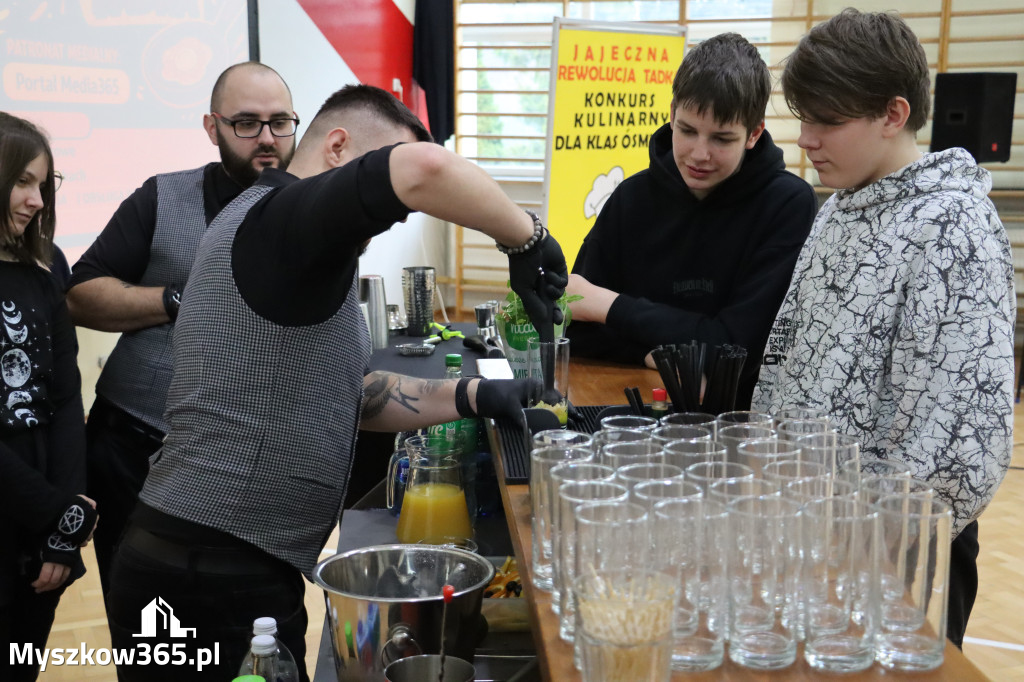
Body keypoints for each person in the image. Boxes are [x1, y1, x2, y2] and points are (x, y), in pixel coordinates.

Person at [104, 84, 567, 681]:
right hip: (206, 575)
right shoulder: (282, 219)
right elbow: (422, 168)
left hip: (216, 563)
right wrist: (525, 238)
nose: (394, 214)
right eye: (391, 200)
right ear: (338, 148)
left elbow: (351, 394)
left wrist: (475, 396)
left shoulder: (283, 243)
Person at [752, 9, 1014, 648]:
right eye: (803, 117)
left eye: (828, 121)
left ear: (893, 114)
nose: (807, 140)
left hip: (894, 559)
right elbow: (790, 362)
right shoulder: (839, 208)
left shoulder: (953, 227)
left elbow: (959, 437)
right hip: (813, 538)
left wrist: (874, 547)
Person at [65, 61, 298, 596]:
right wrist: (178, 299)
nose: (266, 138)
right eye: (246, 123)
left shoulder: (314, 210)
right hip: (132, 448)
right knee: (146, 628)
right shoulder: (160, 197)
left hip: (249, 459)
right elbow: (81, 293)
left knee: (249, 619)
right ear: (211, 127)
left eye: (280, 121)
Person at [566, 33, 817, 409]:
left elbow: (734, 354)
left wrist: (609, 305)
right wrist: (653, 355)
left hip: (737, 427)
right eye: (686, 131)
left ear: (754, 134)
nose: (700, 154)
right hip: (631, 407)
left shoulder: (788, 205)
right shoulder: (630, 198)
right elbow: (575, 327)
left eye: (721, 138)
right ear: (671, 116)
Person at [0, 113, 99, 681]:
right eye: (21, 182)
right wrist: (56, 513)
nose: (36, 200)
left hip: (43, 533)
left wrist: (64, 535)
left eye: (43, 184)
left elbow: (65, 400)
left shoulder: (45, 268)